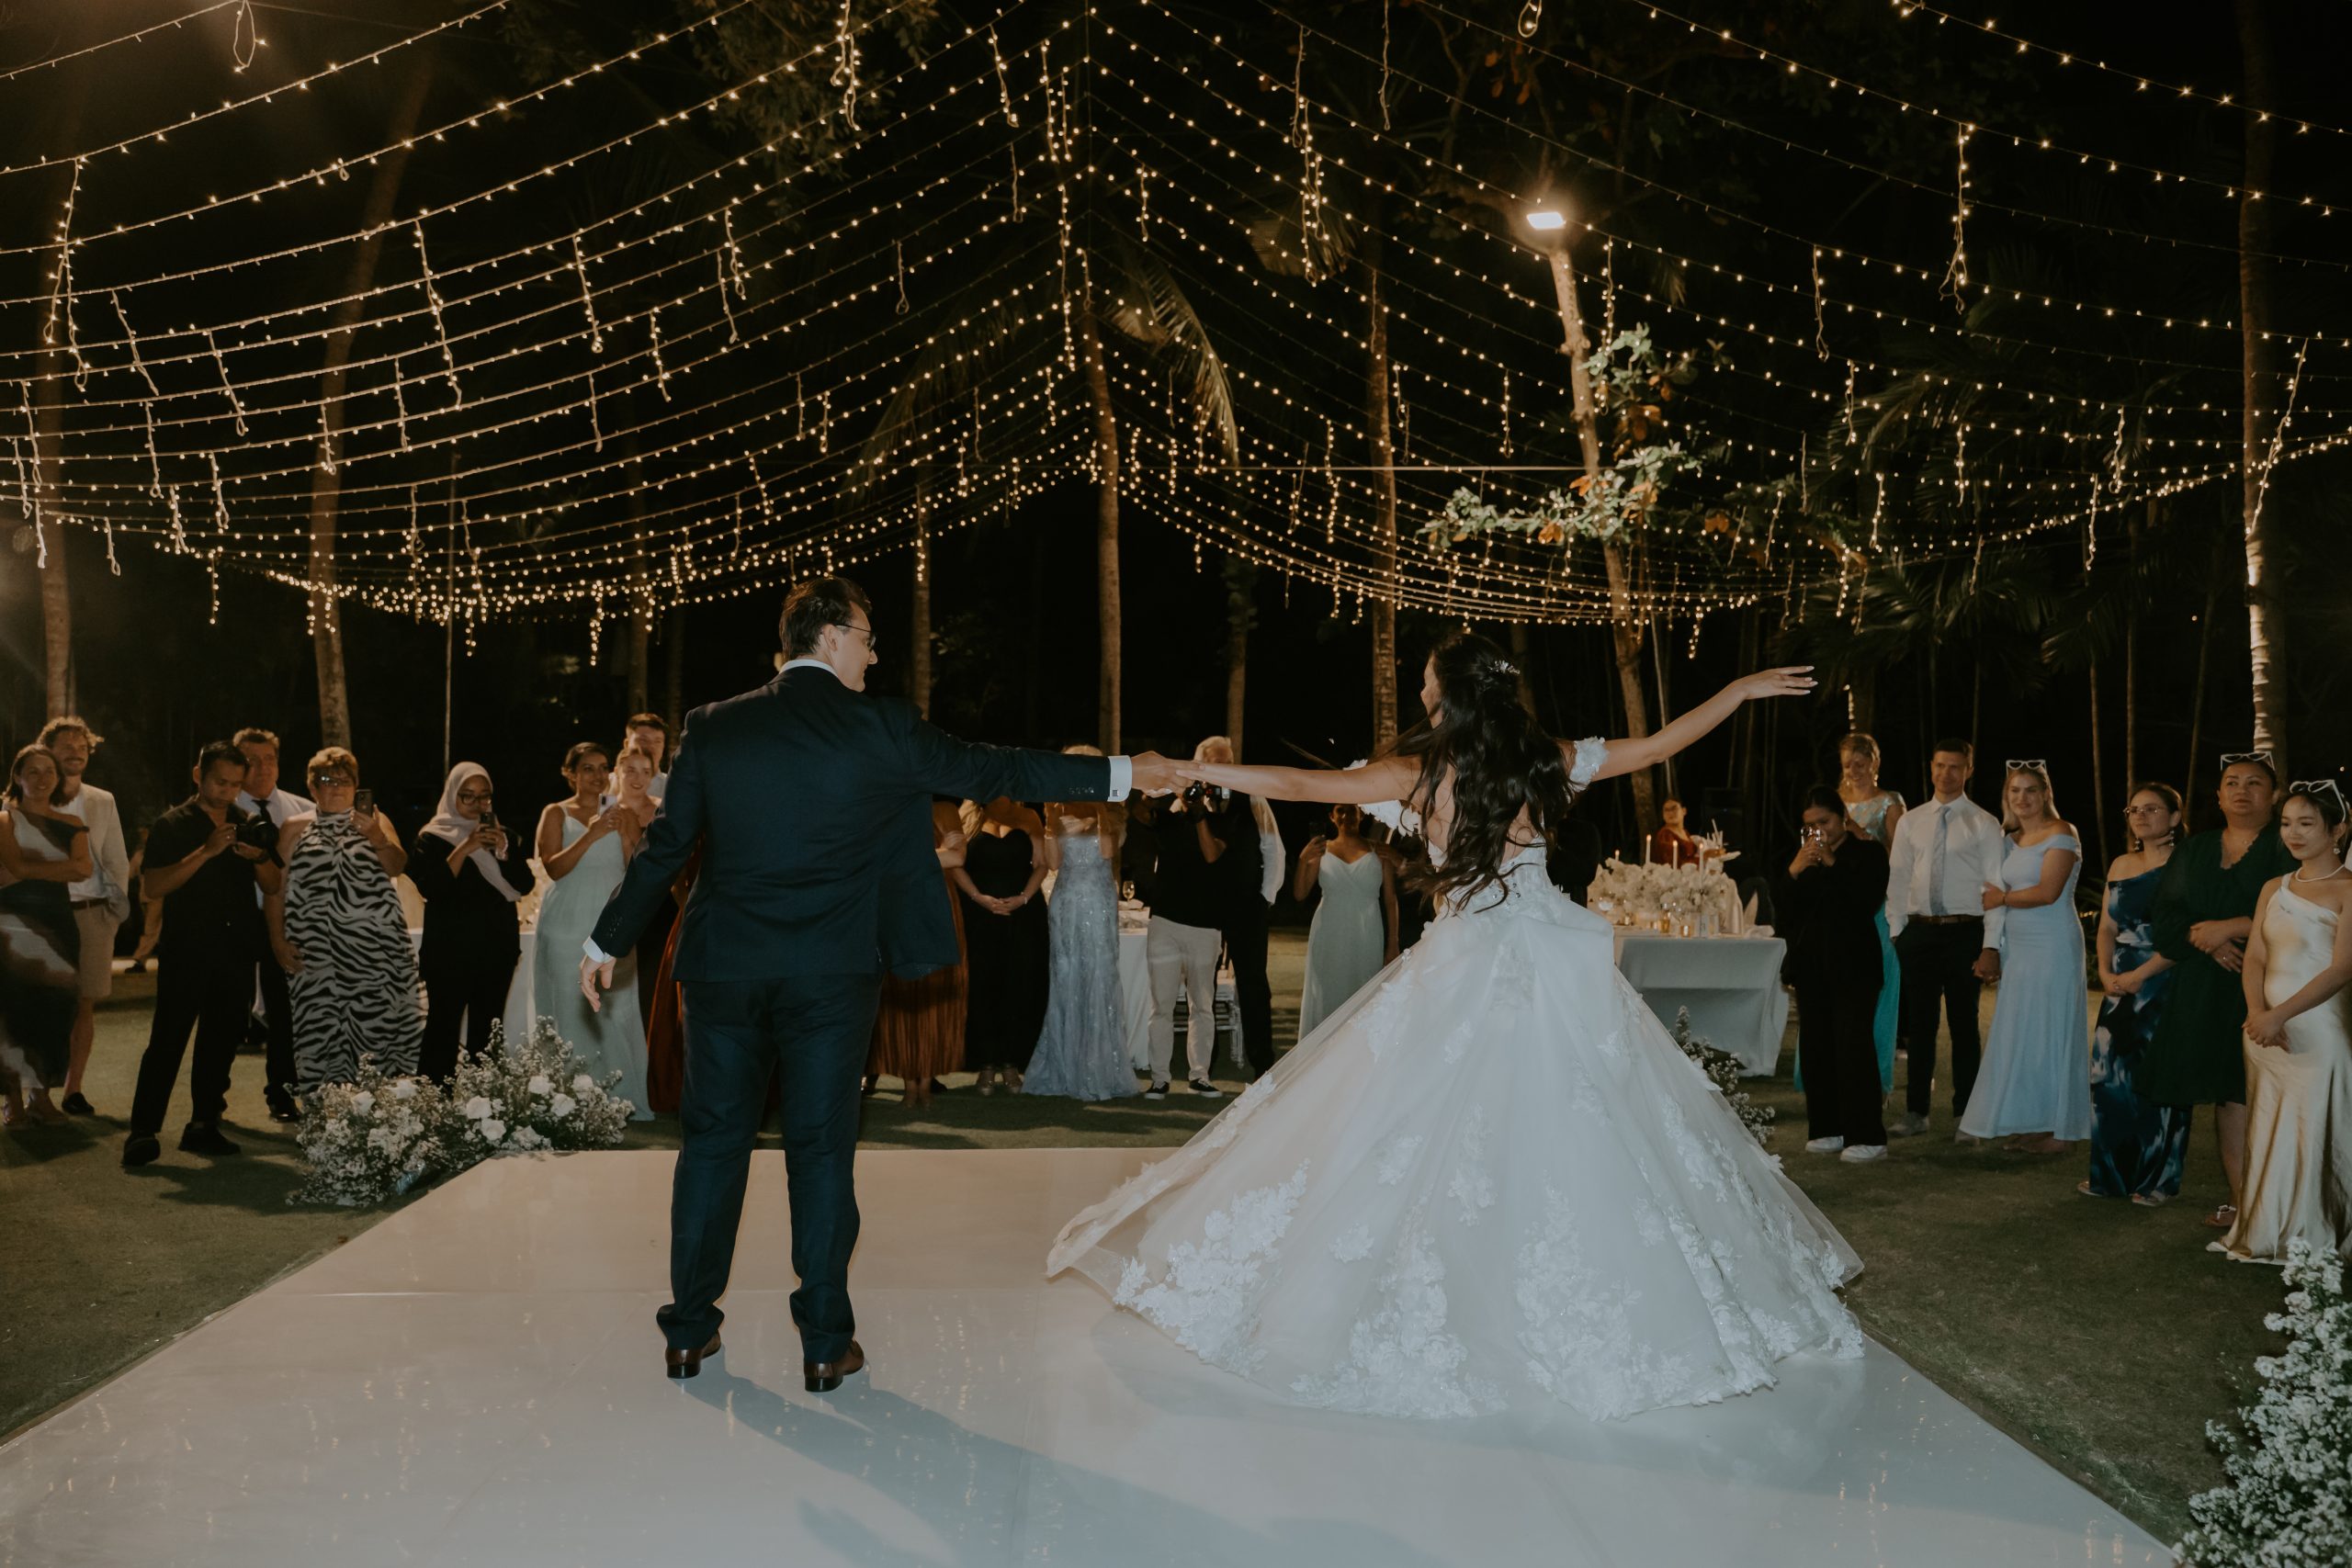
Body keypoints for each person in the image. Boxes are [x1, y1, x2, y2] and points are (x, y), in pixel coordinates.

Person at [1048, 640, 1857, 1422]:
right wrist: (1737, 691)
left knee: (1420, 1121)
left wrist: (1194, 768)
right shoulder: (1544, 758)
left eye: (1427, 679)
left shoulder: (1422, 770)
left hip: (1473, 958)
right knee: (1577, 1117)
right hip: (1550, 957)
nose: (1420, 689)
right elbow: (1656, 746)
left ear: (1450, 691)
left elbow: (1297, 782)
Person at [575, 576, 1167, 1389]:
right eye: (867, 637)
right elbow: (992, 766)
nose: (875, 654)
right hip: (830, 972)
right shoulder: (882, 726)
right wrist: (1122, 773)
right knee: (820, 1152)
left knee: (711, 1144)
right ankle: (824, 1341)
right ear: (830, 637)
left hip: (725, 969)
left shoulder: (714, 724)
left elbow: (666, 847)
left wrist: (605, 938)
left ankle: (688, 1331)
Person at [2142, 753, 2298, 1232]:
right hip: (2204, 987)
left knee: (2265, 1092)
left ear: (2274, 795)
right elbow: (2166, 914)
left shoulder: (2286, 845)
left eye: (2254, 783)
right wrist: (2204, 939)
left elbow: (2301, 912)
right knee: (2228, 1095)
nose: (2242, 790)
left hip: (2271, 987)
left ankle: (2281, 1203)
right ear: (2218, 795)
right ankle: (2240, 1199)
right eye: (2232, 782)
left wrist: (2231, 927)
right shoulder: (2196, 849)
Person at [124, 742, 281, 1168]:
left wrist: (259, 857)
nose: (228, 791)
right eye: (220, 782)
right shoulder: (172, 824)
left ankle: (203, 1124)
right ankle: (143, 1131)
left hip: (236, 949)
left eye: (235, 784)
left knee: (221, 1040)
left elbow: (272, 884)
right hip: (186, 949)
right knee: (168, 1039)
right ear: (199, 775)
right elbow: (154, 886)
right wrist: (207, 851)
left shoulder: (248, 822)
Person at [2218, 782, 2352, 1264]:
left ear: (2337, 829)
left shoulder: (2349, 889)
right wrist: (2257, 1013)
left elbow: (2342, 968)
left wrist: (2280, 1015)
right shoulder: (2273, 887)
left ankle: (2318, 1233)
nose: (2293, 833)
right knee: (2269, 1127)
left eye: (2307, 823)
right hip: (2263, 1032)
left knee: (2315, 1129)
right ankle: (2267, 1228)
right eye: (2287, 823)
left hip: (2318, 1030)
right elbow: (2255, 956)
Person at [269, 749, 421, 1095]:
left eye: (344, 780)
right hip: (316, 959)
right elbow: (276, 890)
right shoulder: (294, 828)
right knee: (319, 1037)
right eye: (326, 780)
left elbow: (397, 867)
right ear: (312, 787)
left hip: (374, 956)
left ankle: (382, 1114)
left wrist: (378, 839)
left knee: (378, 1035)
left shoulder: (376, 821)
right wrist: (277, 940)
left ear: (356, 786)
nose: (336, 786)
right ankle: (328, 1116)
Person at [1958, 762, 2089, 1153]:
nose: (2023, 798)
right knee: (2025, 1033)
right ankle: (2035, 1121)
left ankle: (2062, 1132)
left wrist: (2002, 898)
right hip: (2018, 947)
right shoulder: (2009, 840)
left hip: (2053, 944)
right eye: (2015, 791)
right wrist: (1993, 945)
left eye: (2031, 790)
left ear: (2046, 794)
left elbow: (2048, 891)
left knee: (2053, 1031)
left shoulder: (2062, 833)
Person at [1883, 740, 2007, 1137]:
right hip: (1919, 931)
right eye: (1940, 765)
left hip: (1965, 931)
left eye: (1955, 767)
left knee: (1964, 1025)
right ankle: (1916, 1112)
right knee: (1919, 1027)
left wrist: (1991, 945)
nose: (1946, 774)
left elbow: (1995, 886)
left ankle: (1965, 1115)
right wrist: (1898, 931)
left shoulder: (1983, 823)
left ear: (1969, 770)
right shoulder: (1911, 821)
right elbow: (1898, 877)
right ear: (1931, 767)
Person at [2083, 784, 2188, 1204]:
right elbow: (2107, 927)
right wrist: (2105, 972)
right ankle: (2109, 1176)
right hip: (2119, 982)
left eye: (2152, 809)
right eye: (2134, 809)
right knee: (2108, 1077)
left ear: (2175, 817)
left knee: (2159, 1078)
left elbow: (2186, 934)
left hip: (2165, 978)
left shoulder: (2186, 864)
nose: (2141, 816)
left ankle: (2157, 1181)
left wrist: (2141, 975)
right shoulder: (2122, 863)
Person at [535, 742, 650, 1120]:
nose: (598, 776)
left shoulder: (624, 813)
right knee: (568, 1006)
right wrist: (592, 833)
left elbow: (637, 869)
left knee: (613, 1007)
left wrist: (626, 834)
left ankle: (618, 1096)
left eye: (603, 768)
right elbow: (554, 868)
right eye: (588, 768)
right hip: (565, 922)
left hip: (609, 919)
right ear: (570, 773)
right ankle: (568, 1097)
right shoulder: (556, 812)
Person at [1776, 785, 1892, 1162]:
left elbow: (1864, 902)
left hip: (1854, 967)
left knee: (1852, 1048)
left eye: (1824, 822)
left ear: (1842, 817)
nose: (1818, 831)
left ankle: (1868, 1135)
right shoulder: (1804, 859)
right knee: (1816, 1049)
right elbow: (1786, 912)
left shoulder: (1869, 853)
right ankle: (1827, 1128)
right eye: (1810, 826)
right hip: (1812, 967)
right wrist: (1794, 872)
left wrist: (1831, 861)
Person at [1133, 761, 1261, 1099]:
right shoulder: (1167, 819)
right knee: (1161, 1005)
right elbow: (1139, 813)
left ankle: (1199, 1076)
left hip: (1205, 926)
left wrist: (1199, 814)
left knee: (1201, 1005)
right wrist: (1160, 791)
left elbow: (1211, 855)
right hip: (1165, 921)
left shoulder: (1224, 822)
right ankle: (1159, 1078)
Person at [411, 763, 537, 1081]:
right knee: (443, 1027)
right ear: (452, 796)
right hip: (449, 950)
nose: (478, 804)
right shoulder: (432, 837)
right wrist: (466, 847)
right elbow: (433, 888)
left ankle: (486, 1101)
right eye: (468, 796)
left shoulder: (504, 837)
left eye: (484, 797)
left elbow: (524, 885)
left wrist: (503, 850)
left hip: (496, 947)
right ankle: (434, 1098)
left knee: (488, 1029)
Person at [1024, 756, 1135, 1101]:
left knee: (1099, 976)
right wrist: (1049, 821)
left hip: (1099, 901)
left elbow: (1107, 852)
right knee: (1066, 976)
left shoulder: (1114, 818)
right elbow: (1054, 862)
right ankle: (1064, 1065)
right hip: (1067, 901)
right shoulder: (1059, 817)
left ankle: (1099, 1066)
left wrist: (1100, 810)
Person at [40, 718, 130, 1118]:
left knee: (84, 1006)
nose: (76, 752)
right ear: (48, 750)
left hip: (92, 914)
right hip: (44, 915)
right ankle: (35, 1093)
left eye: (82, 747)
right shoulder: (27, 797)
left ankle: (73, 1089)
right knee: (41, 1004)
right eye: (67, 746)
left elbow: (116, 860)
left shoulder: (102, 800)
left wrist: (112, 916)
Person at [0, 746, 93, 1129]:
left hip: (58, 925)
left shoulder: (72, 823)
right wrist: (60, 867)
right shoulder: (5, 819)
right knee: (13, 1011)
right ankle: (12, 1102)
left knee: (55, 1010)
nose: (41, 779)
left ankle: (41, 1097)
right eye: (32, 772)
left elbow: (84, 869)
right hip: (12, 925)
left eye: (48, 771)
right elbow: (13, 865)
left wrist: (28, 870)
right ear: (17, 776)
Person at [234, 728, 315, 1122]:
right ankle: (210, 1105)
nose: (262, 768)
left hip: (286, 922)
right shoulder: (225, 812)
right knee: (226, 1013)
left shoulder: (305, 810)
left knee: (285, 1012)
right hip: (234, 923)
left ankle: (282, 1092)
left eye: (269, 759)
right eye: (251, 761)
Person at [868, 807, 967, 1108]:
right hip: (897, 903)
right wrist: (935, 853)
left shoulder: (945, 809)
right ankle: (909, 1084)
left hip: (937, 902)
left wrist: (903, 858)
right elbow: (875, 857)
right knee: (899, 993)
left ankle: (926, 1082)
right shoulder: (885, 804)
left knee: (936, 996)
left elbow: (958, 857)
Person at [955, 797, 1051, 1093]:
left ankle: (1012, 1063)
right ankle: (985, 1064)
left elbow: (1042, 864)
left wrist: (1024, 898)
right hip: (979, 914)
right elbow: (956, 865)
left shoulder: (1028, 816)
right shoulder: (967, 814)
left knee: (1020, 985)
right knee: (983, 987)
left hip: (1023, 915)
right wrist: (978, 897)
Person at [1200, 738, 1280, 1080]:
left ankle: (1262, 1060)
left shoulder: (1253, 798)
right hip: (1204, 908)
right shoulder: (1190, 802)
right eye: (1217, 762)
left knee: (1253, 983)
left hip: (1248, 905)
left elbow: (1273, 848)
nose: (1225, 768)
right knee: (1203, 983)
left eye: (1229, 761)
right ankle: (1204, 1060)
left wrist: (1266, 897)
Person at [1295, 802, 1400, 1042]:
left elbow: (1391, 900)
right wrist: (1303, 860)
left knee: (1363, 993)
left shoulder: (1379, 851)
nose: (1346, 815)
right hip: (1329, 932)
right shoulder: (1321, 850)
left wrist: (1393, 943)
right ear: (1332, 817)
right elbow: (1300, 893)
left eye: (1352, 810)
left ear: (1361, 815)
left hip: (1367, 932)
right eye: (1340, 810)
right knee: (1326, 995)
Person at [1837, 733, 1905, 1094]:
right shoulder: (1834, 801)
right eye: (1848, 764)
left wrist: (1859, 833)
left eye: (1860, 763)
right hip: (1839, 904)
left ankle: (1876, 1077)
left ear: (1874, 763)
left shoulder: (1889, 803)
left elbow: (1901, 856)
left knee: (1878, 988)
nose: (1853, 770)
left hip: (1877, 905)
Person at [623, 712, 673, 798]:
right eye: (643, 740)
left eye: (658, 741)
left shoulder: (674, 788)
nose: (651, 746)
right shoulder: (606, 784)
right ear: (627, 744)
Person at [1649, 797, 1705, 868]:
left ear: (1684, 811)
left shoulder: (1685, 832)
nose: (1670, 813)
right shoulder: (1665, 835)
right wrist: (1703, 858)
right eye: (1666, 810)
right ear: (1663, 816)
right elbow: (1674, 864)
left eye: (1674, 809)